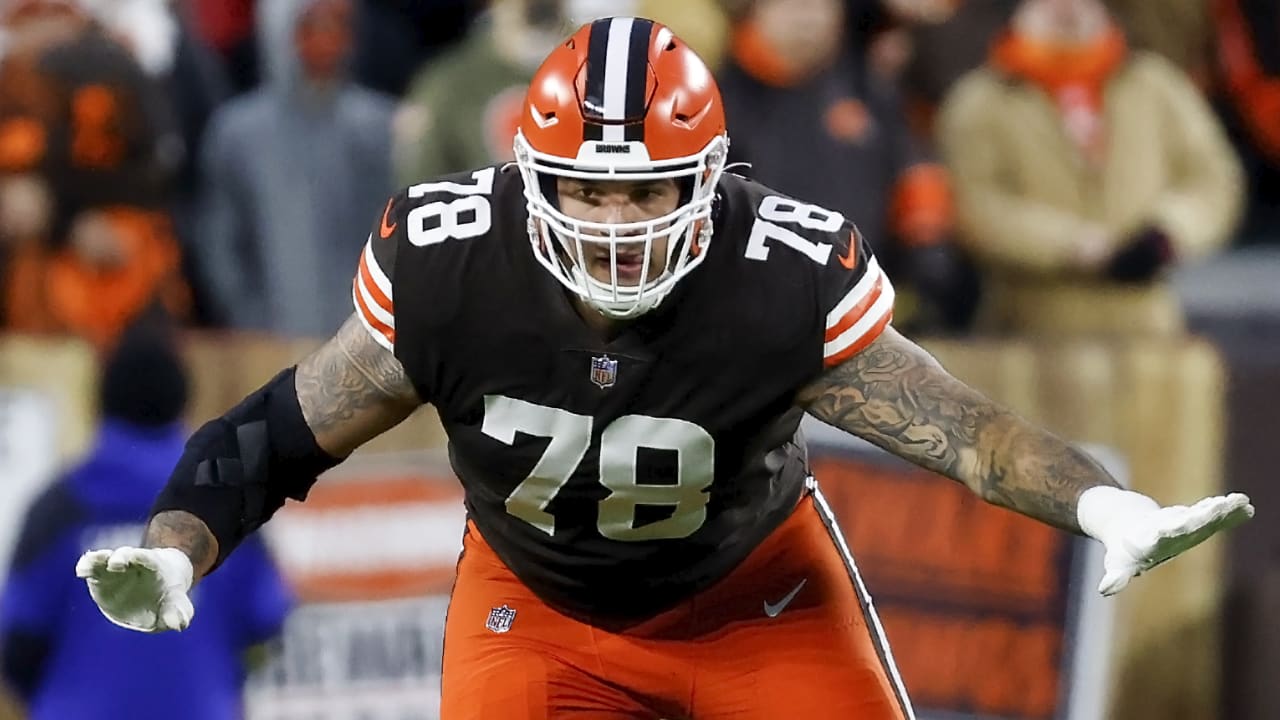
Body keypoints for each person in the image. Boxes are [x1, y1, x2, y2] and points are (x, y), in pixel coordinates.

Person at [75, 17, 1252, 720]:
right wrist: (178, 545)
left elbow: (964, 432)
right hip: (537, 610)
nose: (613, 221)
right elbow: (275, 435)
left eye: (643, 188)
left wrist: (1103, 505)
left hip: (757, 601)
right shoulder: (451, 268)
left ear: (710, 185)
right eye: (587, 188)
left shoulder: (775, 274)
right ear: (530, 179)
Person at [2, 320, 292, 720]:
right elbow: (266, 623)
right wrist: (216, 682)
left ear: (100, 399)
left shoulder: (59, 511)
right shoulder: (226, 502)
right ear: (183, 398)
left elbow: (17, 641)